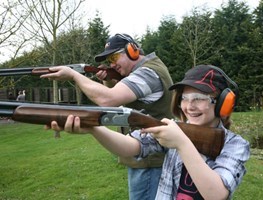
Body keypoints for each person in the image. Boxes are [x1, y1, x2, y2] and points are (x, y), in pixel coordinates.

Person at [48, 65, 250, 199]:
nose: (189, 106)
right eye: (184, 98)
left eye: (199, 98)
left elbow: (216, 194)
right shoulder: (173, 128)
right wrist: (94, 128)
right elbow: (131, 147)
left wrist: (182, 143)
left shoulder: (235, 145)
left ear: (223, 104)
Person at [41, 33, 174, 200]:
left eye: (114, 57)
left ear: (133, 50)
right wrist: (108, 79)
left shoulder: (147, 73)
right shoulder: (147, 69)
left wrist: (75, 75)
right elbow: (118, 97)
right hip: (145, 156)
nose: (112, 64)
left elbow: (108, 99)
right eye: (109, 60)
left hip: (149, 161)